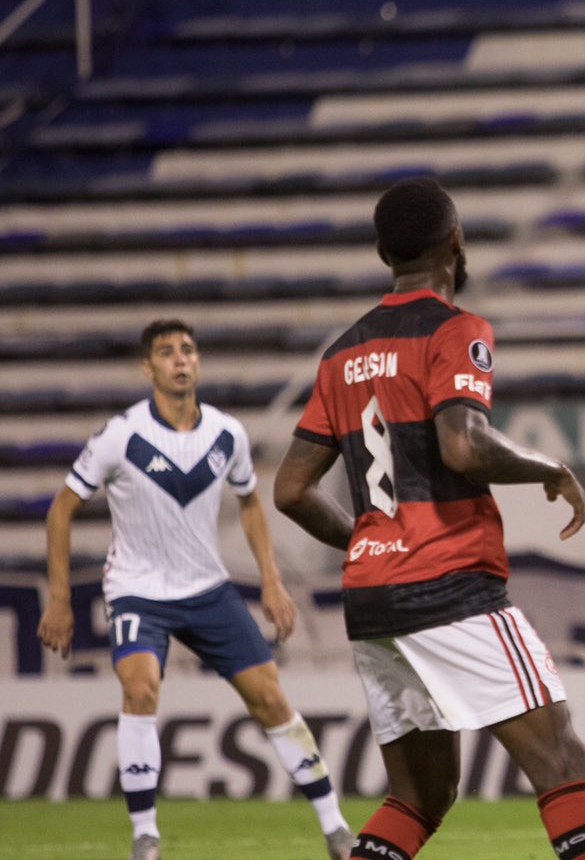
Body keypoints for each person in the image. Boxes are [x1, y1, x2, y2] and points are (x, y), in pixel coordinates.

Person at [272, 178, 585, 860]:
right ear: (456, 241)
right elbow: (462, 444)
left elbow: (290, 489)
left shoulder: (341, 353)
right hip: (449, 584)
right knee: (561, 761)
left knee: (419, 797)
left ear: (383, 252)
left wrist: (373, 542)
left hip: (373, 596)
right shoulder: (455, 330)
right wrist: (548, 467)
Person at [38, 319, 353, 860]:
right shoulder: (122, 435)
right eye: (166, 352)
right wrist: (61, 597)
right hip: (138, 591)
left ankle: (336, 829)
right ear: (148, 368)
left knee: (271, 698)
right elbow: (61, 510)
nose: (180, 359)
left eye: (188, 350)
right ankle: (146, 836)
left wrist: (272, 581)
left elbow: (251, 501)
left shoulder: (225, 434)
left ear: (199, 362)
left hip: (208, 590)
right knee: (141, 689)